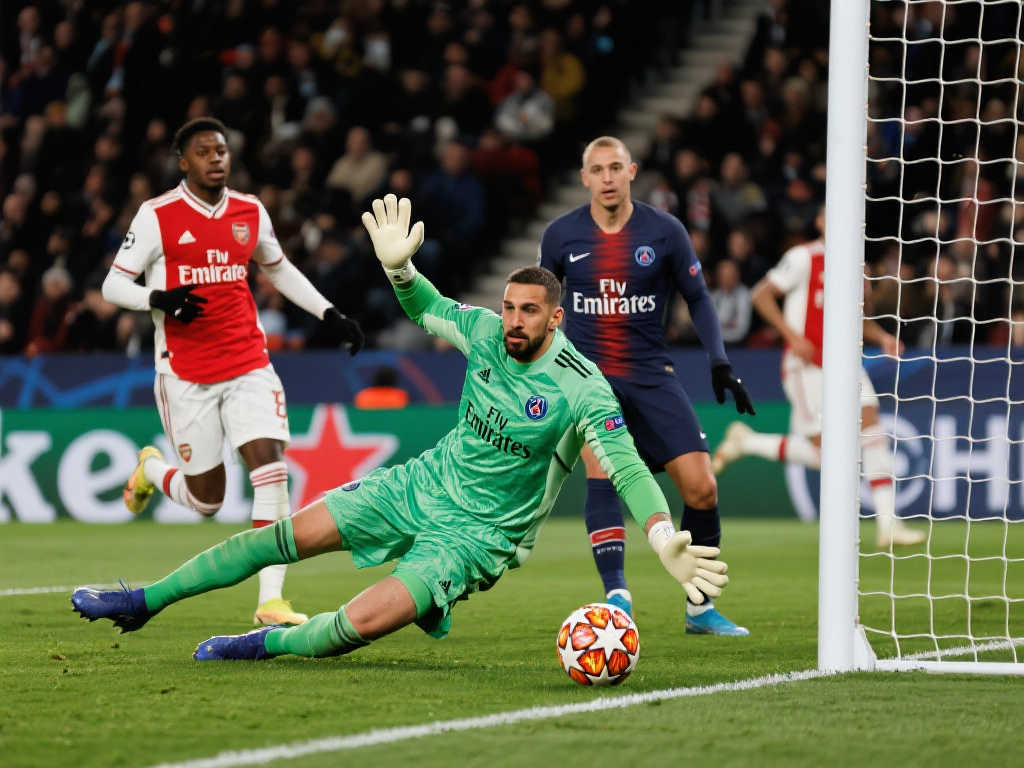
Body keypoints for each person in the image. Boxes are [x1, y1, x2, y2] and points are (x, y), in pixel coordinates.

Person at [71, 194, 730, 661]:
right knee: (280, 538)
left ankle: (268, 642)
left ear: (556, 318)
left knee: (355, 626)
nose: (513, 320)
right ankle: (144, 600)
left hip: (476, 538)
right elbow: (427, 307)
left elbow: (625, 465)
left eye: (529, 311)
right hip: (420, 485)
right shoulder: (485, 333)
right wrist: (400, 270)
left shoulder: (582, 385)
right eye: (508, 307)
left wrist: (662, 535)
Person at [99, 117, 365, 627]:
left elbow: (277, 266)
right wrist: (158, 298)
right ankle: (151, 469)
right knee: (207, 501)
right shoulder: (157, 215)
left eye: (221, 150)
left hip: (248, 362)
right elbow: (113, 285)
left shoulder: (249, 210)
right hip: (185, 373)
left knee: (271, 470)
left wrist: (328, 312)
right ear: (184, 162)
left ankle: (271, 601)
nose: (215, 158)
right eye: (204, 152)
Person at [538, 136, 755, 636]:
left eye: (616, 168)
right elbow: (541, 301)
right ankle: (617, 596)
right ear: (584, 178)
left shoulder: (664, 231)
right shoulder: (561, 235)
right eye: (598, 170)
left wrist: (719, 360)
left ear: (632, 171)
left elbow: (698, 297)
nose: (608, 178)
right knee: (602, 470)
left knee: (702, 487)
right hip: (590, 380)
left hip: (652, 375)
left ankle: (700, 607)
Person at [712, 208, 925, 548]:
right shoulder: (803, 257)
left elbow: (859, 319)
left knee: (872, 426)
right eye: (830, 216)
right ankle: (748, 442)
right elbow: (760, 295)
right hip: (806, 366)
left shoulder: (859, 266)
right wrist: (792, 337)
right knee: (827, 454)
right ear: (820, 222)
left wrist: (882, 337)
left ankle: (889, 525)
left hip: (846, 364)